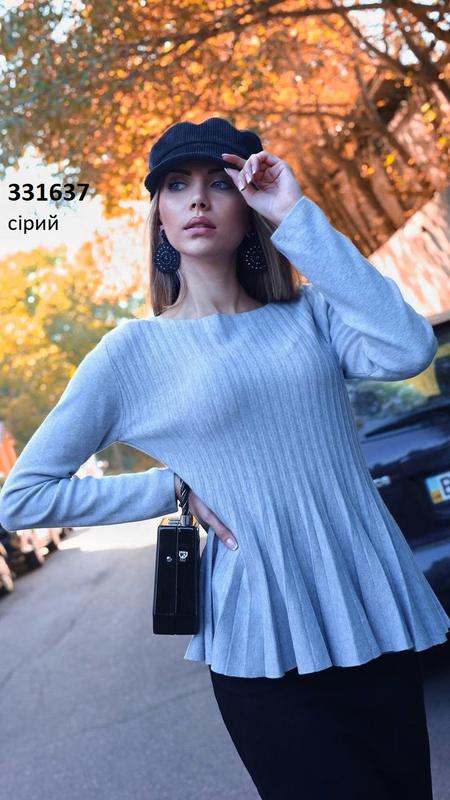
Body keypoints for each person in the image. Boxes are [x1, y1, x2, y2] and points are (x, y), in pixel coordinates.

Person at [0, 116, 449, 799]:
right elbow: (23, 497)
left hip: (370, 608)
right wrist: (172, 490)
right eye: (177, 185)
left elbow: (409, 347)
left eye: (220, 182)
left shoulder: (312, 316)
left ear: (248, 206)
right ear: (159, 214)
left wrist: (294, 213)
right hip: (261, 645)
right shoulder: (130, 354)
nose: (198, 200)